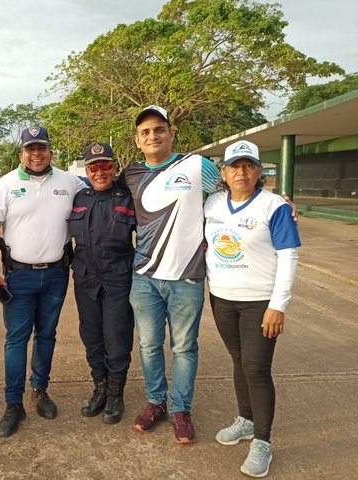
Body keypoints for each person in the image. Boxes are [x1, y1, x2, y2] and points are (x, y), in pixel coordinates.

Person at [118, 105, 221, 444]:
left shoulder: (197, 165)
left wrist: (280, 201)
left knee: (184, 347)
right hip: (144, 275)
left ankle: (180, 409)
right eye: (146, 132)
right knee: (148, 345)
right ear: (137, 140)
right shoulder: (130, 174)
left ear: (171, 132)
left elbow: (233, 193)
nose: (153, 136)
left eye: (159, 129)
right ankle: (155, 402)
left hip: (187, 276)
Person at [0, 126, 87, 437]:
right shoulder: (6, 185)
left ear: (50, 152)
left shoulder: (70, 183)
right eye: (30, 149)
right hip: (18, 277)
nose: (36, 154)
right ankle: (13, 403)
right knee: (16, 340)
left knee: (47, 336)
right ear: (21, 154)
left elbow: (99, 191)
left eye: (42, 148)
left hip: (56, 274)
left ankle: (40, 390)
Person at [205, 140, 300, 478]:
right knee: (238, 361)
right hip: (221, 297)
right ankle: (245, 420)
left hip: (260, 300)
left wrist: (278, 305)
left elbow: (288, 255)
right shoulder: (212, 203)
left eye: (248, 165)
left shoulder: (274, 206)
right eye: (234, 166)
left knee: (257, 368)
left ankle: (262, 441)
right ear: (224, 172)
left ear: (260, 171)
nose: (241, 172)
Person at [68, 142, 136, 424]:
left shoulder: (129, 198)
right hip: (85, 279)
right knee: (92, 336)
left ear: (114, 168)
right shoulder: (78, 198)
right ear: (87, 170)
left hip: (118, 279)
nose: (100, 172)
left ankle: (116, 394)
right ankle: (100, 388)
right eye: (94, 167)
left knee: (117, 337)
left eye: (105, 165)